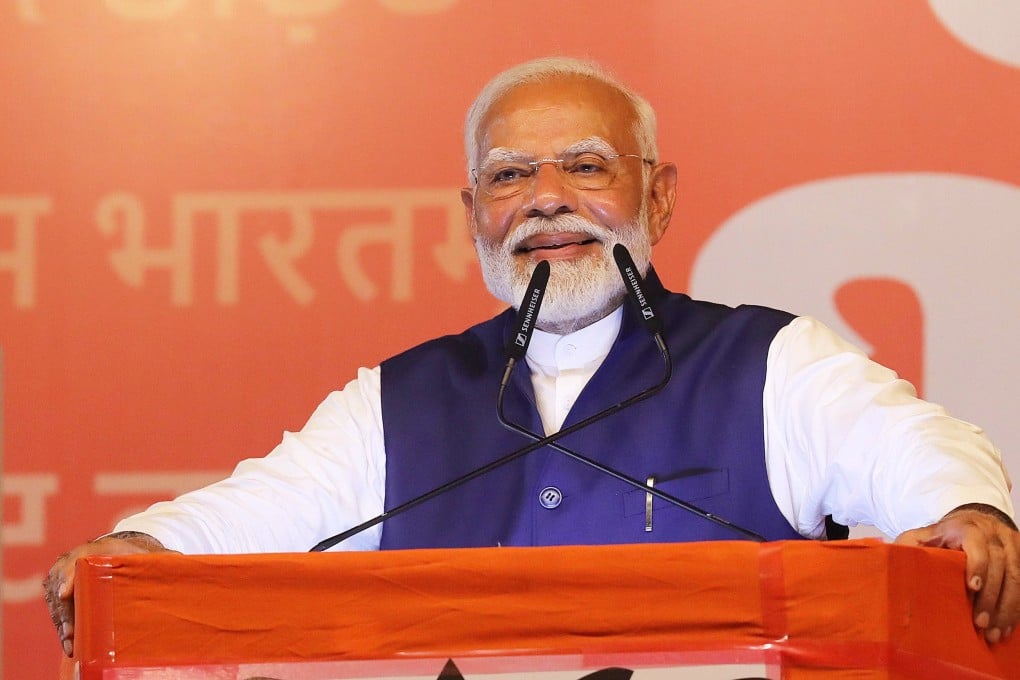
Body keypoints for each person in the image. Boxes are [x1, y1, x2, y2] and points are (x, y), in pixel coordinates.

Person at [46, 57, 1019, 655]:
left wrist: (963, 511)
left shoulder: (771, 361)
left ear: (660, 197)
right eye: (510, 175)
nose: (546, 196)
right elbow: (258, 509)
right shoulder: (397, 397)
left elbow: (915, 452)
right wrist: (139, 551)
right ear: (474, 213)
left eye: (586, 166)